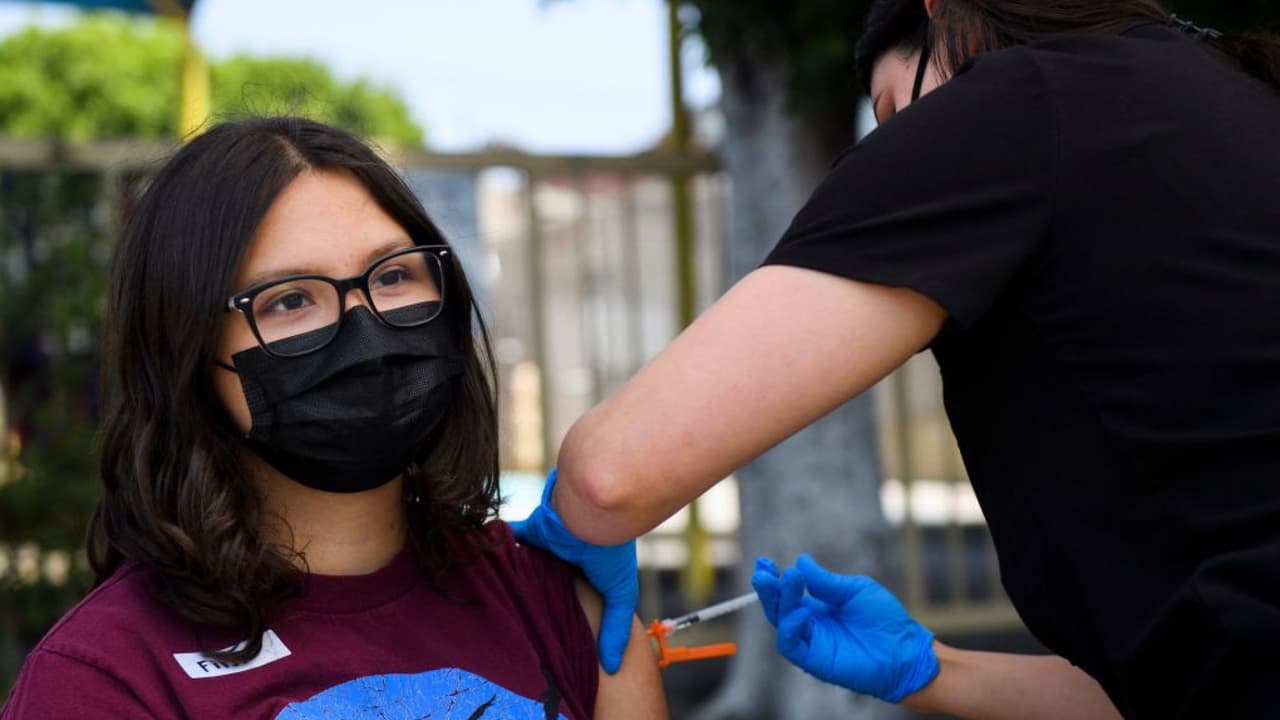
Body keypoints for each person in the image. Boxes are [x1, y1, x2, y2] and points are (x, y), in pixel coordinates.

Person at [513, 0, 1280, 718]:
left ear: (937, 7)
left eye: (892, 113)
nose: (902, 146)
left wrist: (570, 526)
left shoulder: (1015, 103)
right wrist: (930, 669)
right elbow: (1167, 684)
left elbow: (611, 477)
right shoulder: (1237, 100)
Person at [0, 117, 665, 720]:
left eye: (393, 275)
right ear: (187, 353)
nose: (365, 329)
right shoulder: (102, 680)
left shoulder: (563, 610)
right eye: (290, 299)